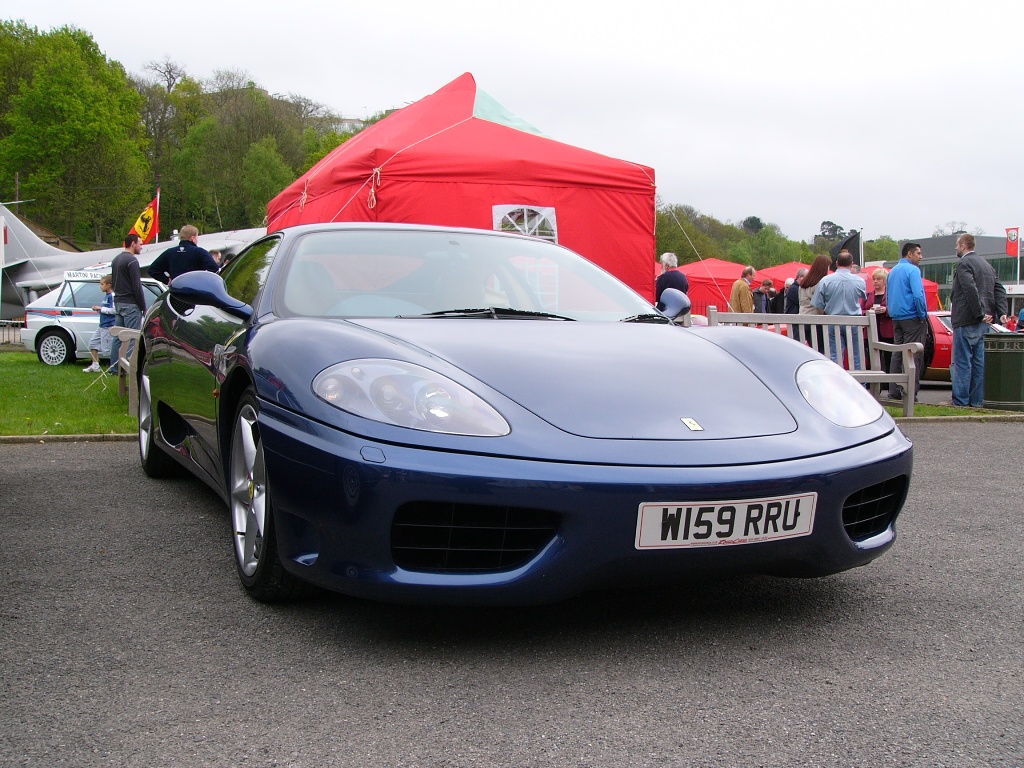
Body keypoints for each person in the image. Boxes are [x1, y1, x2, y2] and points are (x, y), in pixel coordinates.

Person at [950, 233, 1007, 407]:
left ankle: (960, 401)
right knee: (979, 363)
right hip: (985, 321)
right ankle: (976, 402)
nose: (955, 248)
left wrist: (978, 313)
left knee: (962, 362)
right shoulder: (987, 265)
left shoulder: (964, 264)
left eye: (957, 245)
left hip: (967, 318)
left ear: (963, 245)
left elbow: (969, 289)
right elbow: (999, 289)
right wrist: (1001, 312)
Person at [886, 242, 929, 401]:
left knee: (897, 353)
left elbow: (889, 294)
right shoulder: (913, 270)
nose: (920, 257)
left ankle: (894, 390)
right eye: (918, 253)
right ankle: (910, 392)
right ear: (909, 254)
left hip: (896, 317)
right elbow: (918, 295)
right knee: (913, 355)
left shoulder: (892, 271)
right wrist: (922, 313)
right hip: (912, 316)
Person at [812, 250, 867, 368]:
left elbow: (818, 304)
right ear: (852, 264)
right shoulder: (860, 281)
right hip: (854, 321)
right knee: (857, 355)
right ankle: (860, 383)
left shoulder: (826, 280)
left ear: (837, 263)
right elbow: (863, 297)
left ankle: (836, 382)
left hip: (832, 320)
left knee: (834, 355)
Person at [108, 233, 147, 374]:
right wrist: (143, 307)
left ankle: (114, 368)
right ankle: (129, 368)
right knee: (131, 337)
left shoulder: (116, 260)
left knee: (118, 337)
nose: (142, 247)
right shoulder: (132, 261)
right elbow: (137, 286)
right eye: (140, 244)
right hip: (130, 304)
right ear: (132, 244)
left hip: (118, 302)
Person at [147, 224, 219, 285]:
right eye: (197, 237)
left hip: (177, 292)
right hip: (195, 291)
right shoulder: (199, 252)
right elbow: (214, 268)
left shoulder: (169, 252)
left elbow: (152, 270)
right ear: (193, 238)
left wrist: (166, 280)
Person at [83, 275, 114, 373]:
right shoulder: (106, 296)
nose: (100, 286)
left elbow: (114, 310)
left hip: (109, 326)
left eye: (102, 284)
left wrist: (101, 308)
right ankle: (95, 365)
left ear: (109, 285)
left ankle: (116, 368)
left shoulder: (112, 296)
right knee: (92, 343)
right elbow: (106, 310)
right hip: (102, 325)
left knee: (108, 350)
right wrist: (99, 310)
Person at [870, 268, 895, 375]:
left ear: (884, 281)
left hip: (887, 330)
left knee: (889, 357)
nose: (875, 281)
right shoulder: (868, 295)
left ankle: (889, 383)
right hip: (872, 330)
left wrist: (886, 310)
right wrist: (868, 311)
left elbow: (896, 308)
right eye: (874, 279)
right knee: (873, 358)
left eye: (878, 279)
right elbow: (860, 309)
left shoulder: (891, 294)